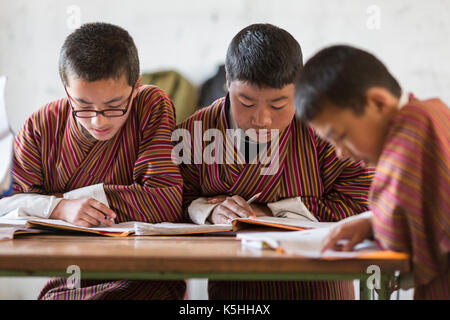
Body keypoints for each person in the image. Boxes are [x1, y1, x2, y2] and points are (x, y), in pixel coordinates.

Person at [175, 24, 374, 299]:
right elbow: (169, 201)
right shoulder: (194, 132)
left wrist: (271, 213)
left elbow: (365, 200)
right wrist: (208, 211)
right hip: (236, 291)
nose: (262, 119)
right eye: (245, 102)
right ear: (227, 80)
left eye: (279, 105)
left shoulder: (323, 127)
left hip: (320, 285)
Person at [0, 22, 186, 300]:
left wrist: (57, 204)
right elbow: (7, 206)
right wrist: (60, 207)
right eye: (83, 106)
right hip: (70, 279)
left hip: (146, 273)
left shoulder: (150, 105)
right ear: (66, 90)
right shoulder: (41, 125)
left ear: (135, 87)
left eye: (114, 106)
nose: (98, 120)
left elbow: (165, 201)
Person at [295, 44, 449, 299]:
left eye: (341, 136)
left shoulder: (415, 128)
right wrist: (368, 222)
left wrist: (373, 222)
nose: (340, 153)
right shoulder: (433, 110)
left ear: (377, 102)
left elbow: (394, 239)